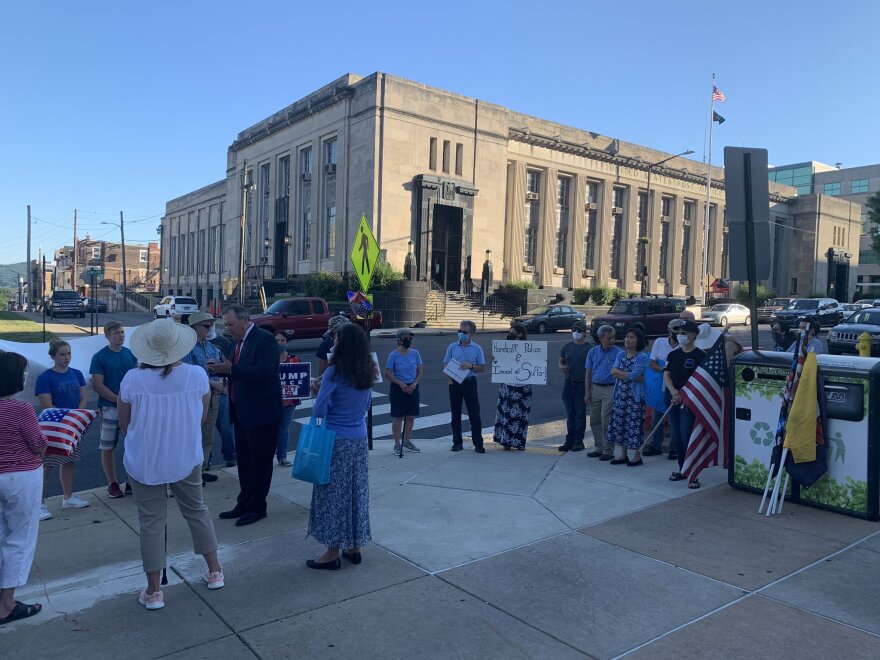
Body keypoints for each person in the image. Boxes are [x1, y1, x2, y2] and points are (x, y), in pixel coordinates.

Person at [118, 319, 225, 610]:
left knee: (151, 523)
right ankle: (215, 571)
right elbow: (201, 418)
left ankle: (154, 591)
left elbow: (125, 424)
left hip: (144, 459)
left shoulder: (132, 379)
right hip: (185, 456)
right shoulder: (196, 375)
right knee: (197, 511)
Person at [306, 323, 376, 570]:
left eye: (336, 338)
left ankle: (331, 551)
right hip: (358, 438)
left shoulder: (334, 371)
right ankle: (354, 546)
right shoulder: (368, 370)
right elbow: (366, 404)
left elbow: (319, 408)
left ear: (342, 343)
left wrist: (316, 392)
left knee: (332, 494)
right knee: (355, 493)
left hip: (335, 439)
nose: (333, 342)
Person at [208, 306, 281, 527]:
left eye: (230, 324)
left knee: (260, 462)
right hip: (240, 410)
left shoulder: (264, 340)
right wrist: (219, 369)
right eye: (225, 325)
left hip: (262, 412)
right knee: (245, 462)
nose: (227, 329)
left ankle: (258, 507)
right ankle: (245, 501)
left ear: (245, 320)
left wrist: (231, 369)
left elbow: (264, 372)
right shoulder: (236, 342)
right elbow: (235, 370)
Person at [0, 351, 47, 625]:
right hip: (21, 476)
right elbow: (38, 444)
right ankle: (6, 603)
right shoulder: (21, 409)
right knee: (19, 539)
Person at [35, 339, 90, 520]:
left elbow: (83, 397)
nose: (67, 358)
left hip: (72, 426)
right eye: (62, 354)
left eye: (69, 353)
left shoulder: (77, 373)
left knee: (69, 460)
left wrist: (76, 418)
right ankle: (39, 504)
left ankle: (68, 497)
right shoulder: (45, 377)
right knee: (46, 466)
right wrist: (66, 420)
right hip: (53, 428)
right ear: (53, 356)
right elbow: (47, 405)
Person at [89, 320, 138, 498]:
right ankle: (112, 483)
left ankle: (132, 480)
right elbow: (98, 385)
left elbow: (136, 378)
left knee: (133, 444)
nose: (121, 335)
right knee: (108, 446)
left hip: (132, 406)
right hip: (110, 407)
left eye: (122, 332)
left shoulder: (130, 354)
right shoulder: (99, 357)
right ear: (108, 336)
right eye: (116, 333)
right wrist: (118, 400)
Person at [183, 312, 225, 485]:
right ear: (194, 328)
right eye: (206, 326)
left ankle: (201, 469)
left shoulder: (211, 347)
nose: (210, 329)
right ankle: (190, 472)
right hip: (195, 398)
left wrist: (221, 380)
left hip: (212, 396)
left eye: (211, 326)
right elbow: (188, 373)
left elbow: (218, 367)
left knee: (208, 436)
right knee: (194, 436)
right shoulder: (187, 348)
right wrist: (213, 384)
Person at [664, 320, 706, 488]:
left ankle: (693, 473)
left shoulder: (700, 356)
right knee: (677, 437)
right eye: (679, 332)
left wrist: (683, 395)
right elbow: (666, 375)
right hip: (673, 400)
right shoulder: (673, 355)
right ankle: (683, 469)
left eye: (685, 333)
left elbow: (700, 381)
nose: (681, 336)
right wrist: (674, 392)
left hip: (689, 402)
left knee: (687, 436)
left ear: (694, 335)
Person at [606, 329, 649, 466]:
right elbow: (613, 373)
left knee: (634, 426)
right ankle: (622, 455)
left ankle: (636, 456)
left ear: (638, 341)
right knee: (620, 425)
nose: (628, 339)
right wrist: (626, 374)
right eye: (627, 336)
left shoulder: (642, 357)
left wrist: (621, 373)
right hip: (620, 396)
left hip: (634, 399)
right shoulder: (620, 354)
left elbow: (635, 375)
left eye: (632, 337)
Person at [443, 320, 486, 453]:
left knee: (474, 414)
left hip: (469, 382)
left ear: (471, 334)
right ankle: (457, 442)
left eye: (464, 332)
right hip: (455, 383)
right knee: (455, 415)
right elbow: (446, 364)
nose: (461, 334)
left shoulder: (477, 348)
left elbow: (482, 368)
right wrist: (450, 382)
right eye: (459, 331)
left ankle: (478, 443)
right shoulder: (452, 347)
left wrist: (471, 366)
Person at [584, 325, 624, 460]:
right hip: (595, 387)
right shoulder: (593, 352)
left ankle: (608, 450)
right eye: (609, 338)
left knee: (606, 420)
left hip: (610, 388)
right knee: (594, 420)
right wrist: (587, 392)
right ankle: (599, 447)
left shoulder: (618, 353)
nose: (612, 340)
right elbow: (588, 372)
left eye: (613, 337)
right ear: (601, 338)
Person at [493, 322, 532, 451]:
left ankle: (519, 442)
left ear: (520, 334)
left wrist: (541, 362)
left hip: (523, 386)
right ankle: (505, 441)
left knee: (520, 415)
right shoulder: (505, 347)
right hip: (508, 384)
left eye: (512, 333)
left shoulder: (530, 348)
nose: (509, 335)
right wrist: (496, 359)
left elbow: (536, 363)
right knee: (506, 413)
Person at [643, 320, 680, 456]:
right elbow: (651, 362)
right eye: (675, 328)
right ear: (669, 329)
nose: (677, 332)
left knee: (675, 418)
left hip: (676, 385)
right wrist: (663, 370)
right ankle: (656, 445)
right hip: (661, 383)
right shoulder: (659, 342)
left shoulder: (684, 344)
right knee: (657, 416)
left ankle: (674, 447)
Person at [384, 328, 423, 454]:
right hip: (398, 387)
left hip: (412, 386)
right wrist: (400, 383)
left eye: (410, 339)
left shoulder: (415, 353)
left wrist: (414, 384)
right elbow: (388, 374)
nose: (409, 341)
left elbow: (420, 370)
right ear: (400, 340)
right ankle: (397, 443)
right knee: (398, 416)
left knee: (410, 416)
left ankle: (407, 441)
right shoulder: (393, 355)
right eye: (407, 338)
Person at [557, 320, 590, 452]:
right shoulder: (567, 347)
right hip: (568, 383)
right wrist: (562, 367)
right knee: (570, 414)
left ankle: (578, 441)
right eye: (573, 330)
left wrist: (589, 391)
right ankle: (569, 440)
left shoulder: (590, 349)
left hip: (582, 384)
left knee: (580, 414)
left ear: (584, 332)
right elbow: (560, 361)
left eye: (578, 330)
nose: (575, 333)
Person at [275, 332, 301, 467]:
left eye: (282, 340)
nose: (279, 342)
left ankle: (282, 456)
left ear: (286, 342)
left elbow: (301, 380)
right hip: (271, 401)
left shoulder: (295, 359)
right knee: (269, 429)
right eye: (277, 340)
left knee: (283, 429)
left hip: (289, 401)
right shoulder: (267, 359)